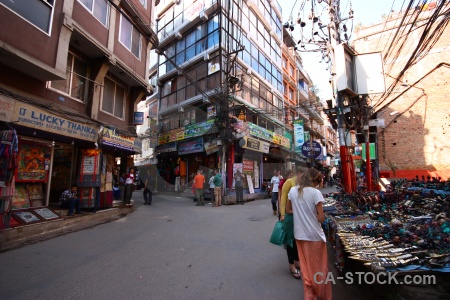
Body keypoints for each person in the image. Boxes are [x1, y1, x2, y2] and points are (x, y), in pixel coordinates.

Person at [287, 168, 331, 300]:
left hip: (300, 235)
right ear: (315, 181)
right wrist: (311, 215)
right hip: (315, 236)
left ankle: (310, 296)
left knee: (306, 270)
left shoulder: (293, 191)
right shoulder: (315, 193)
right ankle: (321, 294)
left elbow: (288, 209)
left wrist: (301, 213)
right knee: (319, 269)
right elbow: (321, 218)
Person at [278, 169, 301, 279]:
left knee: (298, 240)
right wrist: (282, 214)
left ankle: (297, 261)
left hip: (300, 216)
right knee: (290, 241)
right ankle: (291, 265)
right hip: (290, 214)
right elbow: (283, 197)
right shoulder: (289, 182)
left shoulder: (305, 184)